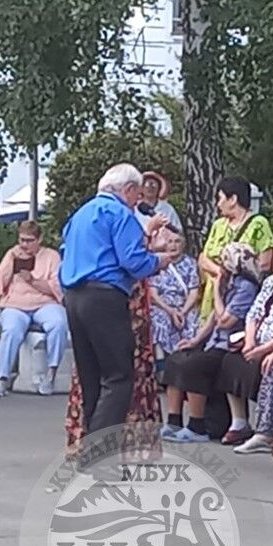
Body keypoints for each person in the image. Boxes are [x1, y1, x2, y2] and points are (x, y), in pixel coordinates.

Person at [60, 163, 171, 442]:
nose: (138, 201)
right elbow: (132, 261)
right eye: (137, 194)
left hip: (74, 297)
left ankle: (88, 444)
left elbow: (65, 251)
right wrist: (158, 261)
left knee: (91, 378)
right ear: (128, 189)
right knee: (118, 378)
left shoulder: (80, 214)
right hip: (105, 296)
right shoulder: (120, 213)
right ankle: (99, 451)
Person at [161, 243, 262, 442]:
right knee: (175, 359)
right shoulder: (230, 282)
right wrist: (195, 340)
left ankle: (197, 426)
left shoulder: (246, 287)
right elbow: (212, 319)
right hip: (213, 343)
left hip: (229, 346)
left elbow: (225, 320)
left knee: (193, 366)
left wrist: (216, 288)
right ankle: (173, 422)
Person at [218, 241, 273, 447]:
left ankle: (266, 431)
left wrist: (263, 349)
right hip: (257, 341)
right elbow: (253, 314)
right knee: (231, 360)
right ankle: (239, 423)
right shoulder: (270, 281)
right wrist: (250, 342)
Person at [0, 220, 68, 396]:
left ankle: (51, 373)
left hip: (45, 303)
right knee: (11, 329)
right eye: (22, 240)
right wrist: (11, 262)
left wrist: (32, 280)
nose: (25, 245)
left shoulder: (51, 256)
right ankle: (2, 378)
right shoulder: (13, 254)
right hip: (15, 304)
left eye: (29, 241)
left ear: (39, 239)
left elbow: (57, 288)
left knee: (58, 323)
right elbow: (0, 284)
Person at [198, 176, 273, 318]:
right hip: (214, 292)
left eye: (220, 199)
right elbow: (203, 258)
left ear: (233, 199)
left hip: (241, 293)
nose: (218, 204)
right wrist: (219, 272)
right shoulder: (218, 225)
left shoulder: (258, 224)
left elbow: (265, 265)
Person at [149, 231, 201, 357]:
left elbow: (193, 292)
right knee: (159, 321)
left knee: (194, 321)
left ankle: (188, 357)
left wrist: (182, 312)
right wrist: (171, 311)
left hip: (184, 306)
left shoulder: (190, 263)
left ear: (183, 244)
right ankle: (161, 362)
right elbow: (153, 294)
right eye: (170, 242)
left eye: (177, 241)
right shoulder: (157, 261)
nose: (173, 245)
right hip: (163, 306)